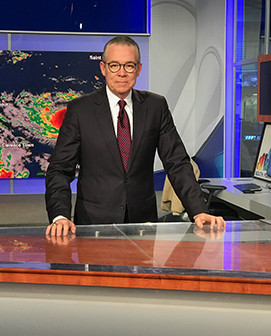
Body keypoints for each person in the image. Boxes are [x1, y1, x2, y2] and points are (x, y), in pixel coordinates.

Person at [45, 36, 225, 236]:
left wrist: (199, 210)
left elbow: (177, 162)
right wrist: (60, 216)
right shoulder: (80, 110)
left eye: (129, 66)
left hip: (142, 224)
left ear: (139, 69)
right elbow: (59, 170)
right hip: (94, 222)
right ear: (103, 68)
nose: (122, 73)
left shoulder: (155, 107)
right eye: (114, 65)